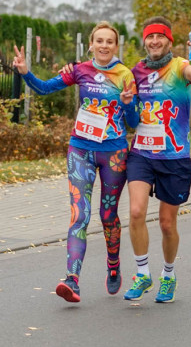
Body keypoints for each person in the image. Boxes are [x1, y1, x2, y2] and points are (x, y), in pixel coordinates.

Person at [12, 22, 138, 304]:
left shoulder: (124, 75)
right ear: (91, 44)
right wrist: (24, 72)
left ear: (116, 47)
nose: (104, 45)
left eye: (110, 42)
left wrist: (129, 104)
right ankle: (72, 280)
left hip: (114, 153)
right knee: (79, 215)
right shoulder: (79, 70)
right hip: (80, 149)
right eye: (99, 41)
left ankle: (114, 263)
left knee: (108, 217)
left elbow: (133, 123)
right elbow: (44, 89)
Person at [123, 16, 191, 304]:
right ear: (144, 41)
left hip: (174, 157)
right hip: (141, 154)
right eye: (150, 37)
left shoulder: (180, 65)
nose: (154, 41)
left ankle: (168, 275)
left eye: (160, 37)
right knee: (135, 212)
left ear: (169, 41)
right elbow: (131, 115)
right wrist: (125, 103)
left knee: (167, 224)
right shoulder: (135, 71)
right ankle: (142, 272)